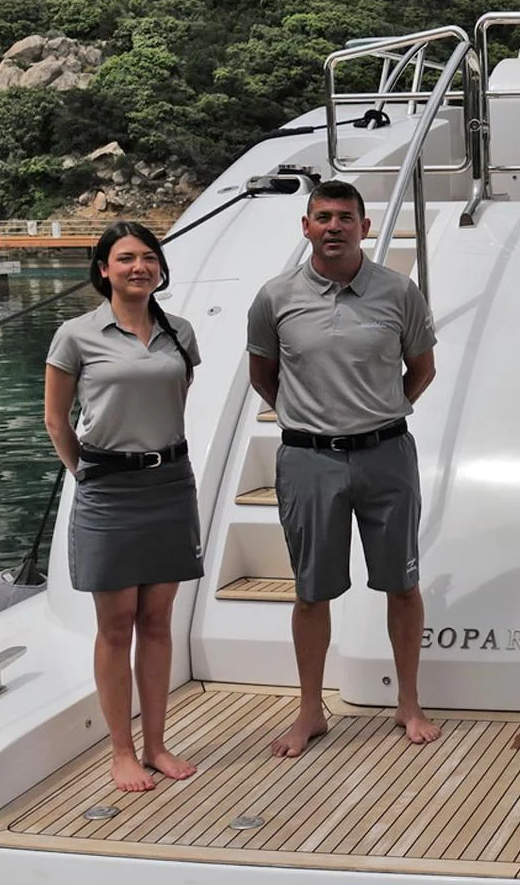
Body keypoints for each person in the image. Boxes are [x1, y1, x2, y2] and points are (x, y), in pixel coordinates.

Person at [247, 181, 441, 757]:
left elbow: (422, 369)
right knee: (312, 593)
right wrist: (310, 420)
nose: (335, 226)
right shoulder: (274, 297)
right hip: (308, 461)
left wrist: (377, 414)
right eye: (323, 217)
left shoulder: (399, 293)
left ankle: (409, 703)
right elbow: (264, 375)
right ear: (305, 227)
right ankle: (311, 710)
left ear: (365, 227)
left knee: (402, 585)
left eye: (346, 218)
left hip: (386, 456)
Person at [44, 223, 204, 792]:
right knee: (115, 626)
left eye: (148, 257)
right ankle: (121, 751)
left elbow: (172, 401)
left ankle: (157, 743)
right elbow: (56, 421)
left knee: (158, 622)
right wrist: (84, 473)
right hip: (108, 491)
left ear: (159, 267)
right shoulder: (76, 335)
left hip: (169, 486)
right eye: (126, 258)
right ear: (104, 269)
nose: (140, 266)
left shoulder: (180, 333)